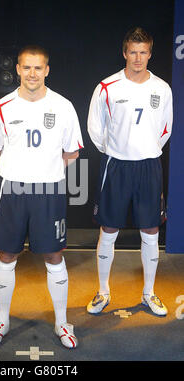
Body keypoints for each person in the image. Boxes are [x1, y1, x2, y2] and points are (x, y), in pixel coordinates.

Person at [0, 45, 83, 348]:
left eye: (38, 68)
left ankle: (62, 324)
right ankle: (1, 320)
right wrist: (20, 169)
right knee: (6, 254)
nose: (32, 73)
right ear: (17, 69)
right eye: (26, 67)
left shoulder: (63, 106)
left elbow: (72, 151)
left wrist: (44, 170)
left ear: (47, 70)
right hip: (13, 189)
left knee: (54, 255)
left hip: (49, 189)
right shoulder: (2, 107)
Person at [87, 27, 173, 316]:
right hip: (116, 166)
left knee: (150, 230)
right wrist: (117, 150)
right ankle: (103, 292)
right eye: (133, 52)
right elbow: (95, 129)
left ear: (150, 54)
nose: (138, 58)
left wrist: (144, 149)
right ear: (125, 53)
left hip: (149, 166)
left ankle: (148, 293)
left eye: (143, 52)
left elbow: (165, 130)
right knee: (108, 228)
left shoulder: (162, 89)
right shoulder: (107, 87)